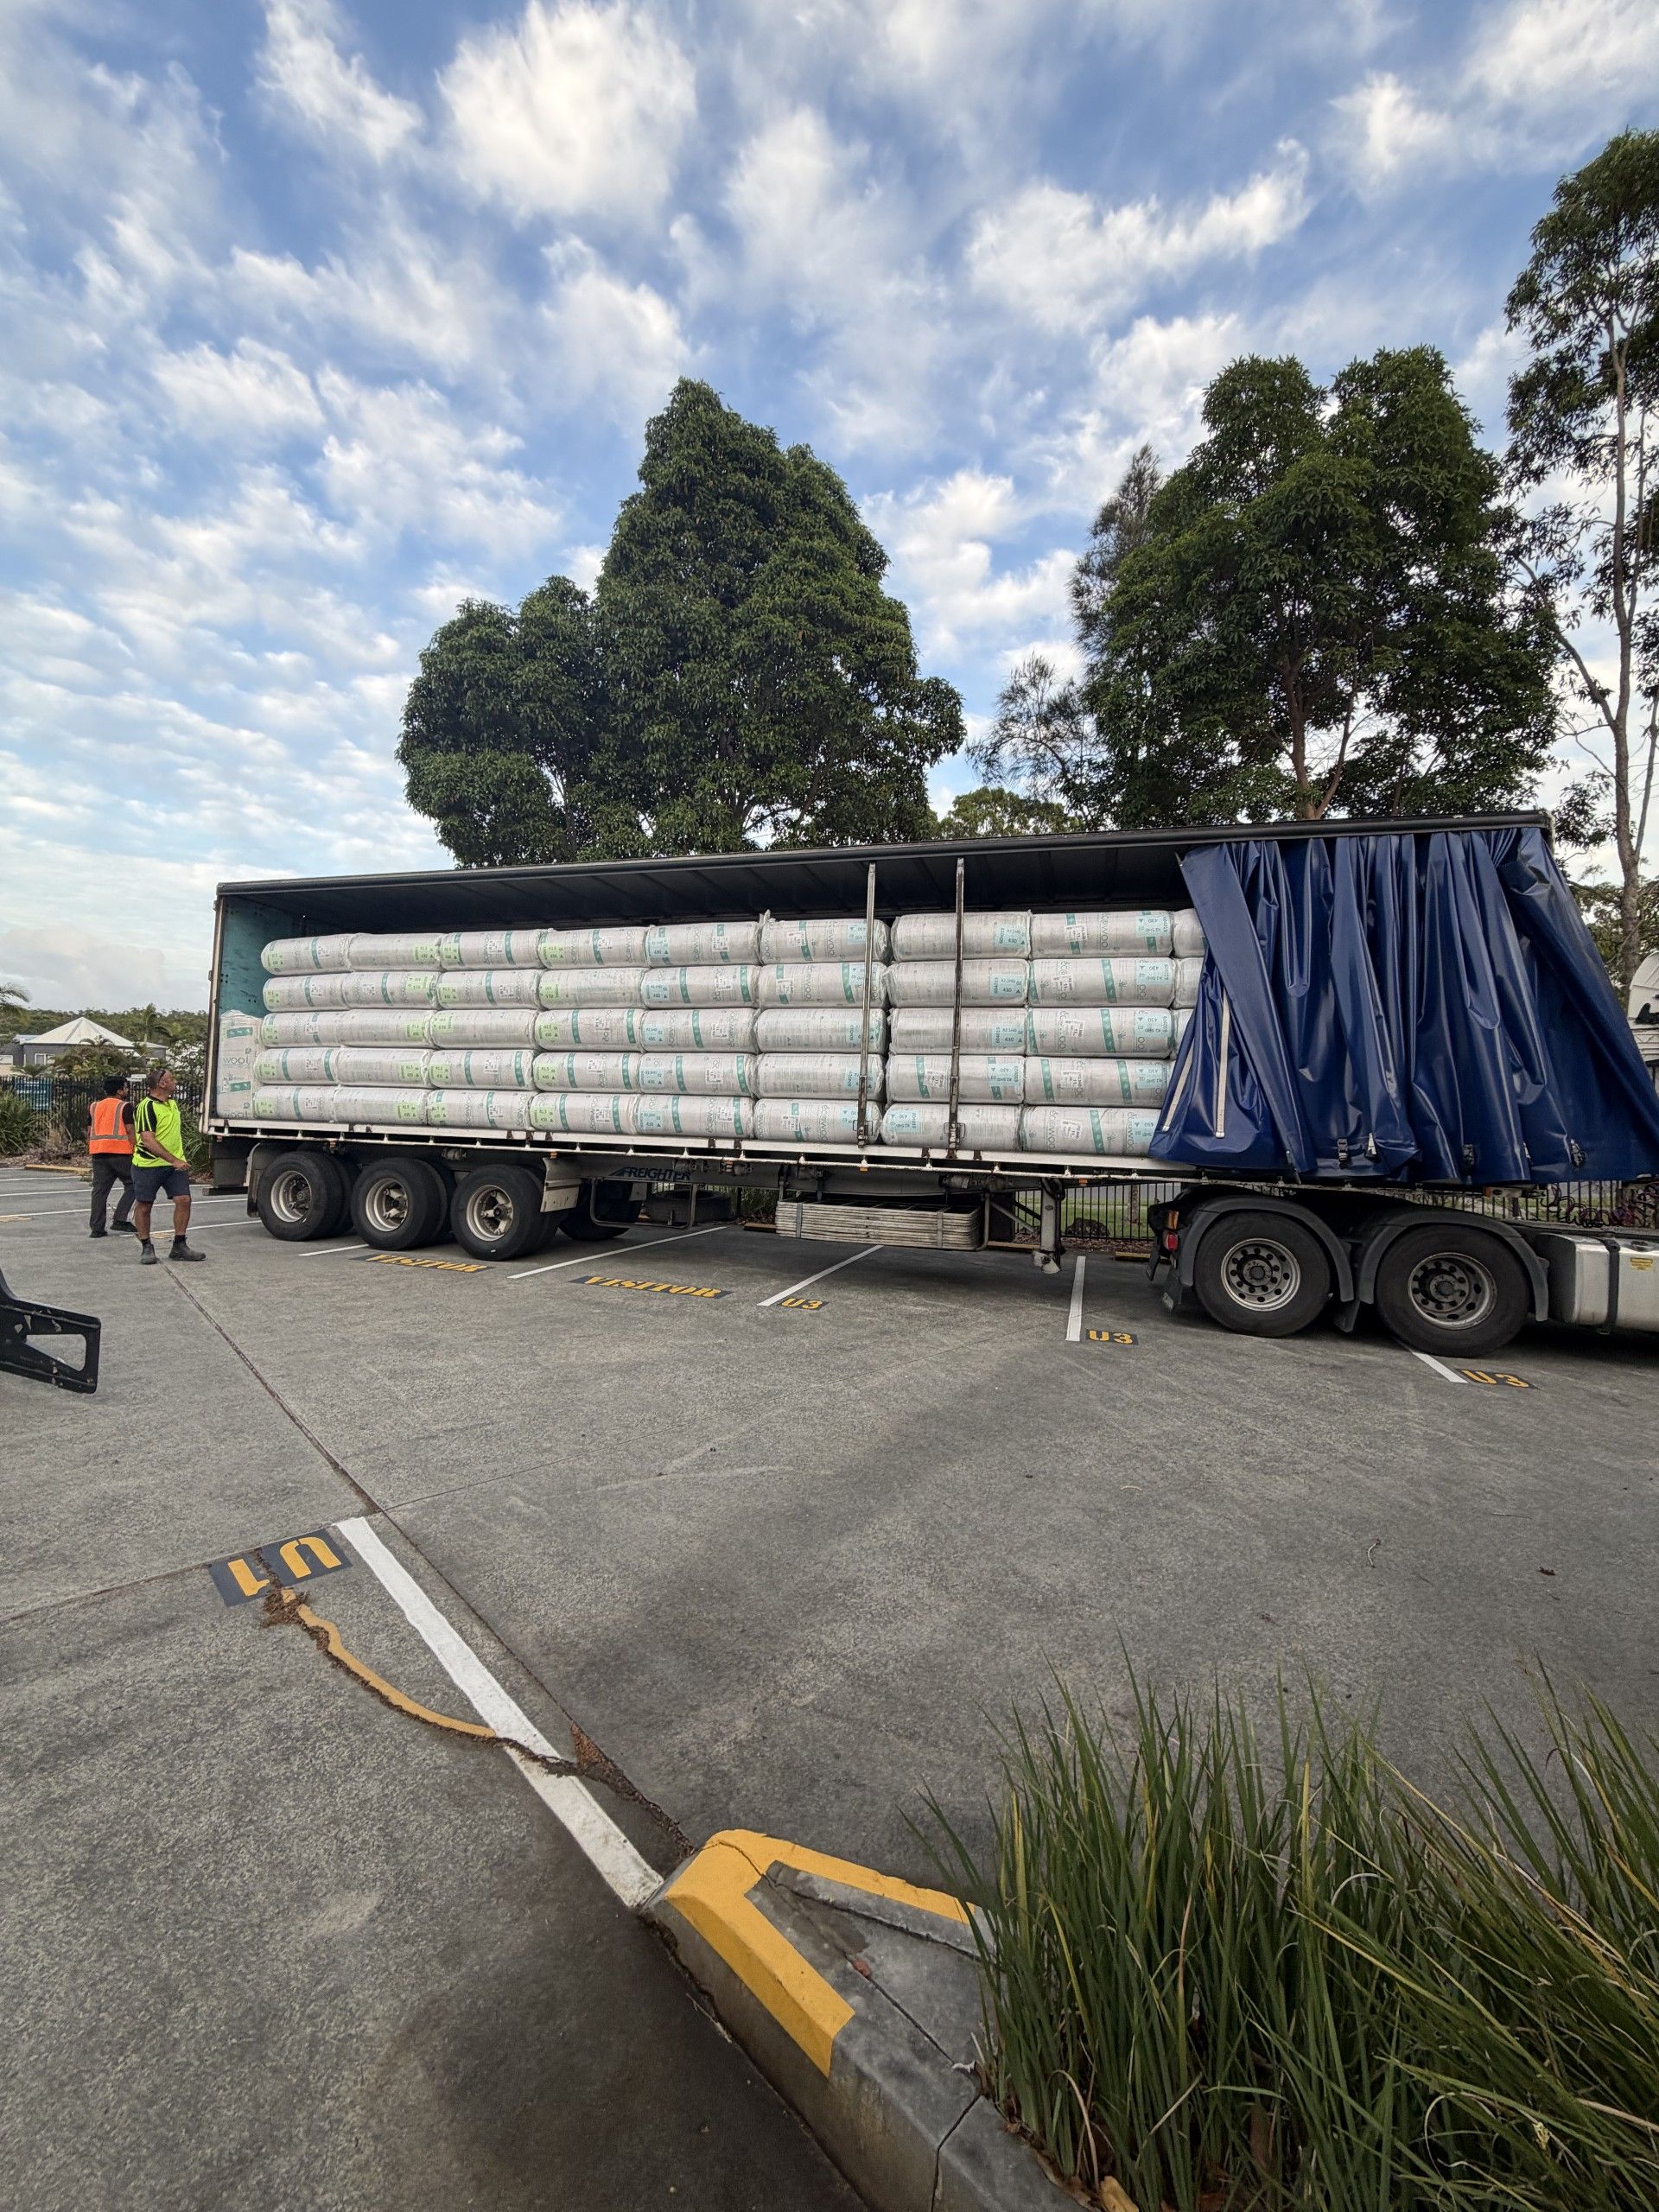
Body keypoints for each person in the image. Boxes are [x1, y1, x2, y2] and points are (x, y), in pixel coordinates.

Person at [130, 1067, 204, 1264]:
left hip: (174, 1165)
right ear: (162, 1083)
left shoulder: (172, 1104)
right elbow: (148, 1140)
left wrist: (176, 1160)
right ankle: (146, 1246)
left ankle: (179, 1245)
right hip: (148, 1165)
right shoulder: (146, 1107)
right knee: (145, 1205)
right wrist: (173, 1160)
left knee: (184, 1200)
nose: (175, 1081)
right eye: (172, 1079)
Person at [87, 1073, 136, 1238]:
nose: (127, 1090)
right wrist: (136, 1150)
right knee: (134, 1184)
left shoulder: (94, 1106)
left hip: (99, 1153)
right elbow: (130, 1130)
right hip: (121, 1153)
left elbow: (90, 1130)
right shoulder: (125, 1106)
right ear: (120, 1091)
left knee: (99, 1190)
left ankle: (97, 1228)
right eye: (126, 1087)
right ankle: (120, 1219)